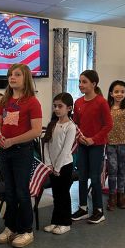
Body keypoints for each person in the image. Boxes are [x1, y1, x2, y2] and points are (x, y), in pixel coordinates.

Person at [0, 64, 42, 248]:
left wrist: (13, 141)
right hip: (5, 151)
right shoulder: (4, 101)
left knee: (22, 191)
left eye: (16, 75)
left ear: (26, 79)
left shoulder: (32, 102)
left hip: (22, 151)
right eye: (10, 75)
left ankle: (26, 230)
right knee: (10, 191)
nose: (12, 78)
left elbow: (36, 131)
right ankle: (10, 226)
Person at [71, 70, 113, 224]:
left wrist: (93, 139)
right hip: (82, 145)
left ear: (94, 84)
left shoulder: (101, 102)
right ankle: (83, 208)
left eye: (84, 82)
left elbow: (108, 125)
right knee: (82, 176)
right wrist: (80, 138)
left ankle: (98, 210)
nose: (81, 85)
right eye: (80, 81)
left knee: (95, 178)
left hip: (96, 146)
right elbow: (76, 123)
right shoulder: (78, 102)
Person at [43, 93, 76, 235]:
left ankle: (65, 222)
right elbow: (46, 145)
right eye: (55, 106)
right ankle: (55, 221)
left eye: (60, 106)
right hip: (53, 167)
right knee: (56, 195)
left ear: (69, 108)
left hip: (65, 166)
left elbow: (66, 149)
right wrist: (49, 164)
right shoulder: (52, 124)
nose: (56, 109)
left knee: (63, 194)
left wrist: (58, 167)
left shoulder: (71, 126)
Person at [106, 80, 125, 210]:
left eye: (122, 92)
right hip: (110, 145)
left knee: (121, 171)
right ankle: (112, 196)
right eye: (116, 91)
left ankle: (121, 197)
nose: (119, 94)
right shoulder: (107, 108)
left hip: (123, 145)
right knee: (112, 171)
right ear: (111, 93)